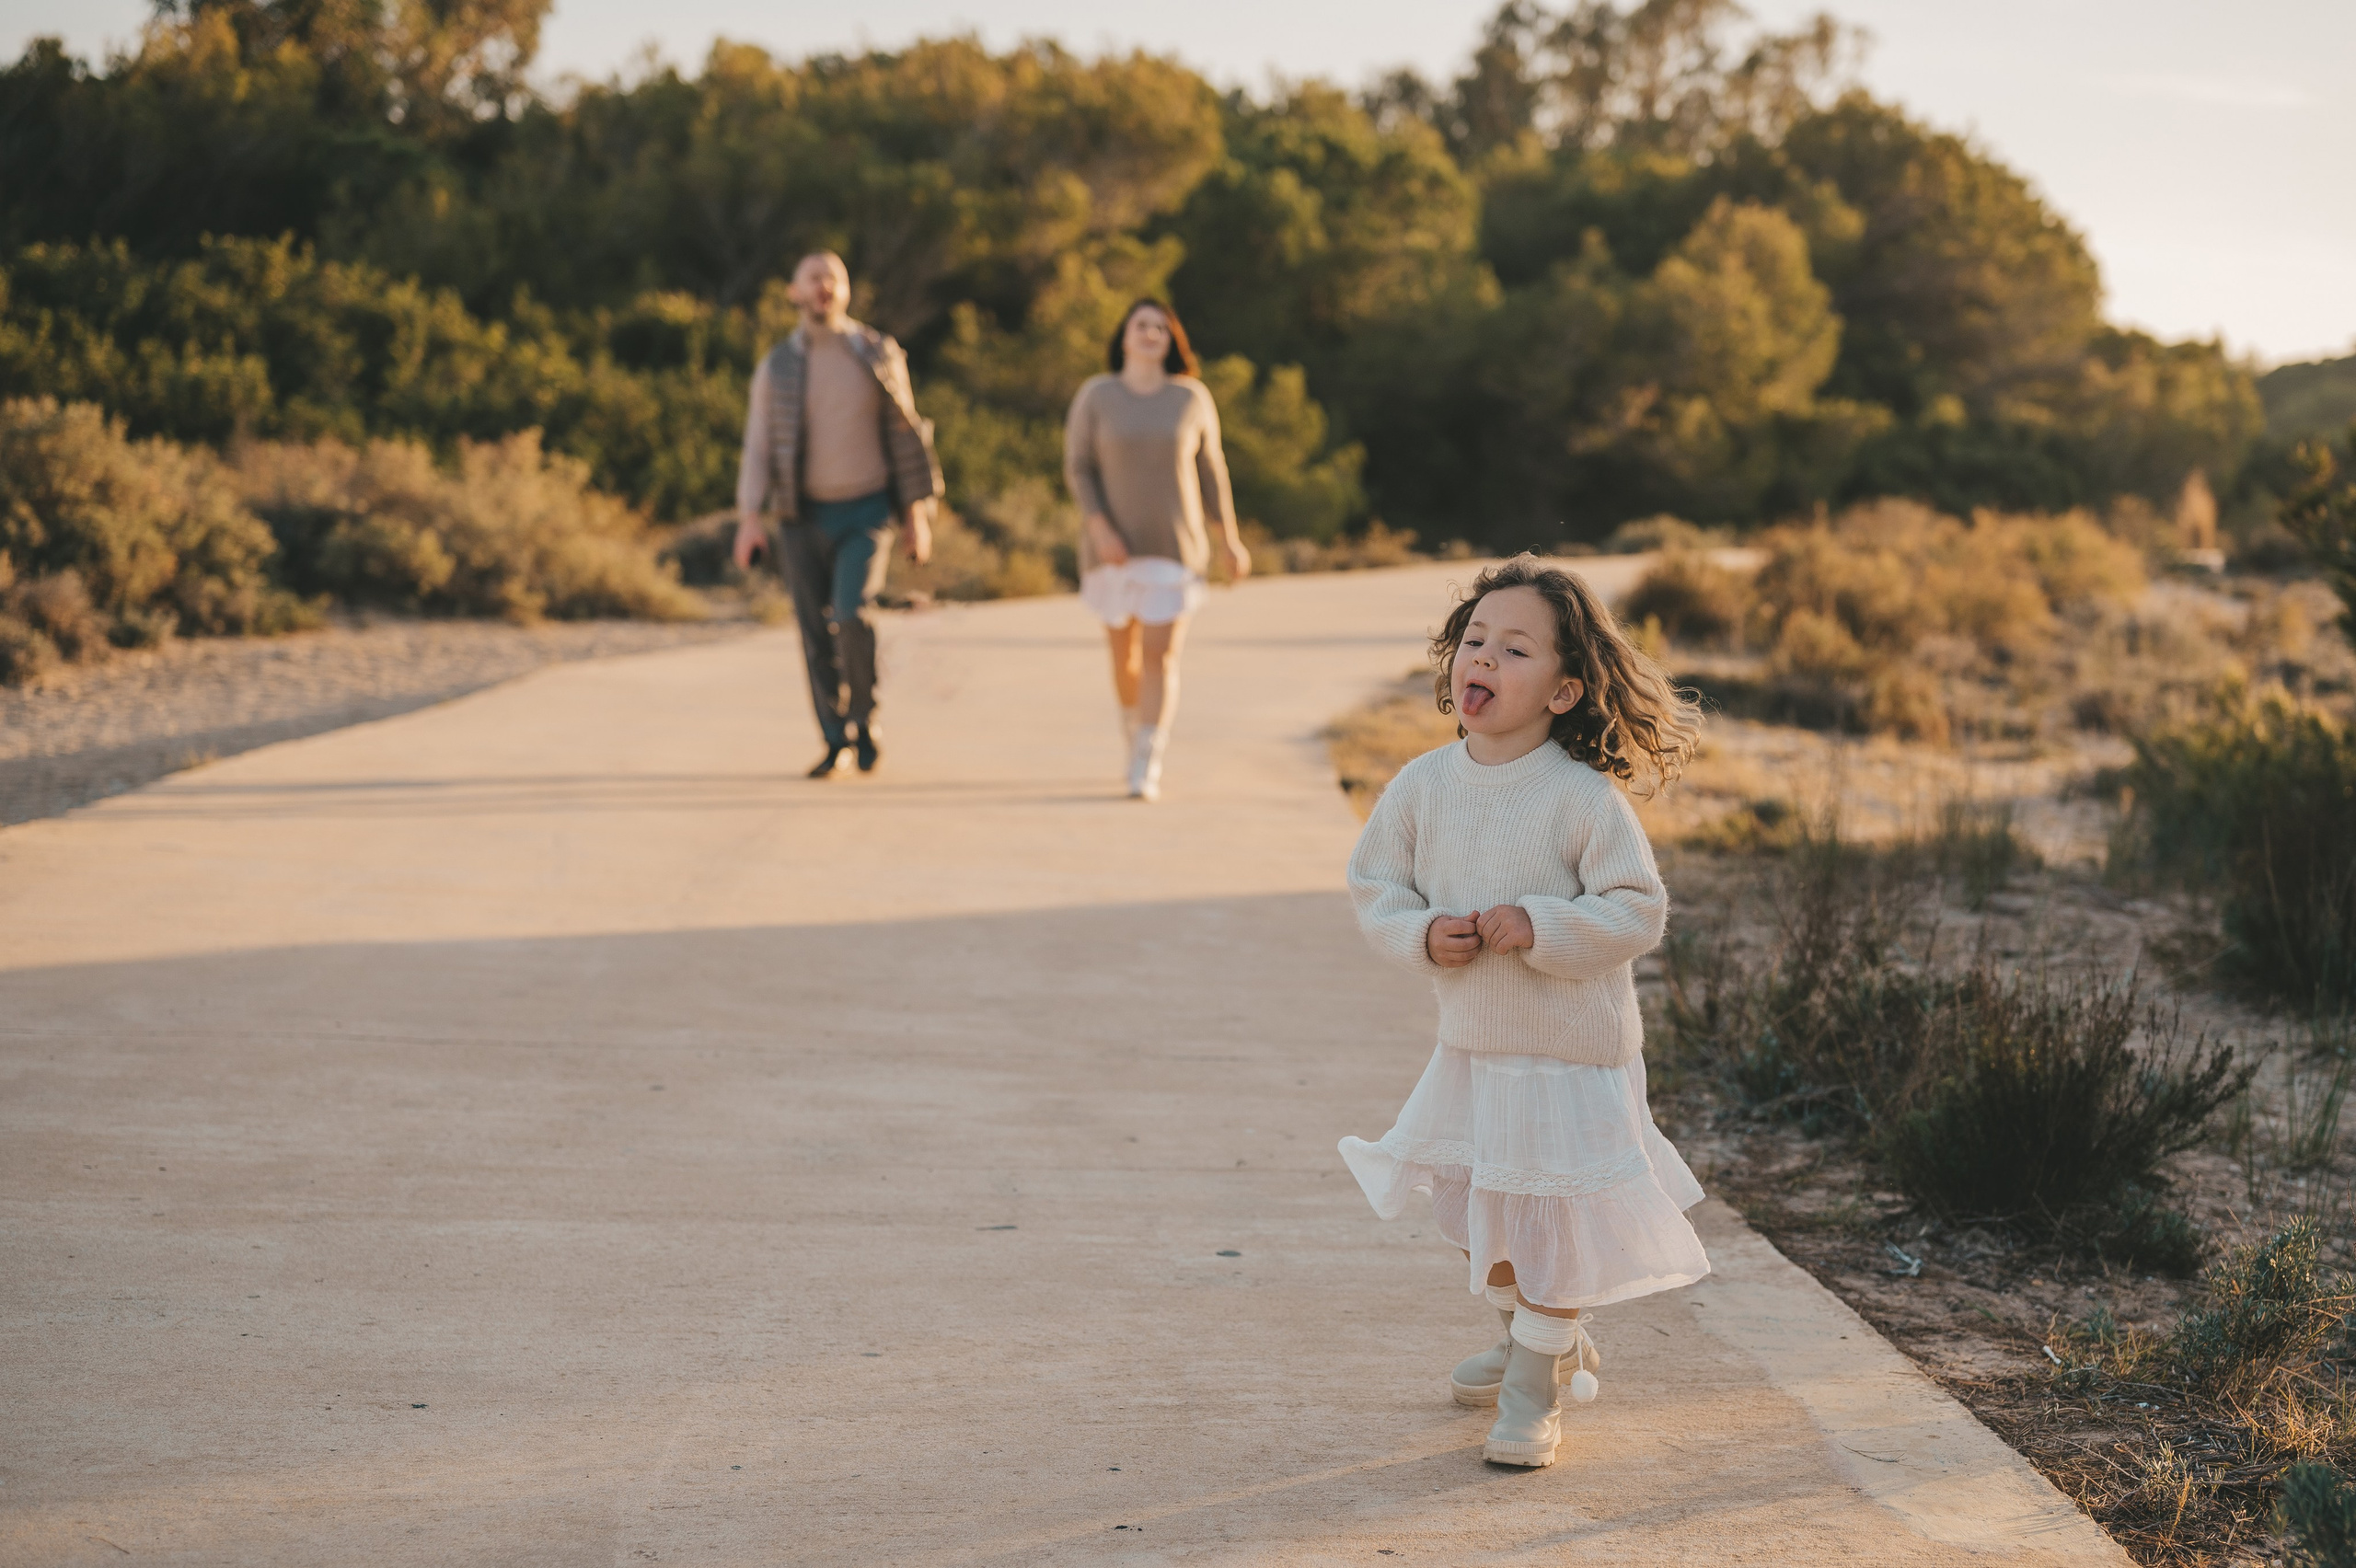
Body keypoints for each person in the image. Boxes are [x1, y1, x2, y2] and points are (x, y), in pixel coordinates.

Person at [1336, 554, 1711, 1469]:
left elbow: (1636, 908)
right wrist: (1424, 935)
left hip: (1571, 1056)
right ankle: (1533, 1339)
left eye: (1515, 649)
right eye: (1475, 642)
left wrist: (1539, 923)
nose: (1485, 660)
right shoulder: (1424, 785)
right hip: (1476, 1046)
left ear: (1563, 690)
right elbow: (1374, 883)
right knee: (1491, 1219)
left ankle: (1534, 1388)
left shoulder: (1581, 797)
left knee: (1553, 1229)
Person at [735, 251, 942, 778]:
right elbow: (758, 446)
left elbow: (908, 434)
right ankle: (835, 739)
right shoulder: (777, 365)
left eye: (835, 277)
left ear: (847, 290)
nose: (824, 286)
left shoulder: (876, 352)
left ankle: (864, 717)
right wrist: (749, 519)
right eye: (814, 278)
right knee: (812, 629)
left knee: (851, 614)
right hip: (801, 516)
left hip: (867, 510)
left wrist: (917, 516)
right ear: (794, 292)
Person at [1063, 299, 1251, 801]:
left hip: (1175, 547)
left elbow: (1212, 472)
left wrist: (1228, 539)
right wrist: (1101, 530)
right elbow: (1079, 467)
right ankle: (1133, 730)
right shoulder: (1097, 395)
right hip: (1113, 551)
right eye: (1141, 326)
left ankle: (1148, 755)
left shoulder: (1190, 398)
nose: (1150, 334)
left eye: (1161, 329)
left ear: (1171, 341)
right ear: (1124, 337)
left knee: (1159, 656)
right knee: (1123, 654)